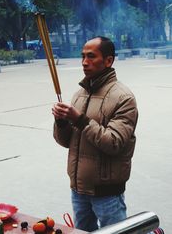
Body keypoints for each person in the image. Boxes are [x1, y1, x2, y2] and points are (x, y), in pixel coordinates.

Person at [52, 36, 138, 231]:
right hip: (79, 189)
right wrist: (61, 122)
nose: (84, 62)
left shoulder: (123, 98)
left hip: (107, 193)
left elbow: (114, 143)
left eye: (91, 56)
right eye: (82, 56)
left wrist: (80, 119)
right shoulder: (79, 95)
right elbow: (66, 142)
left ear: (108, 61)